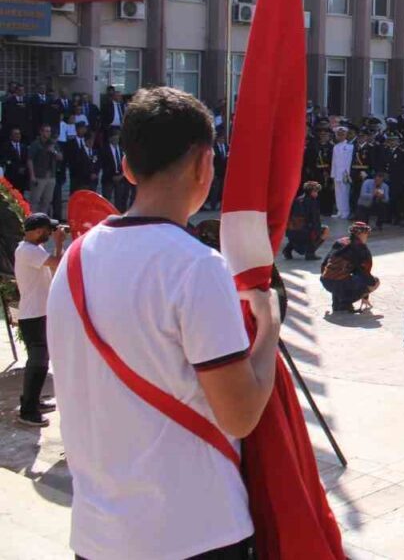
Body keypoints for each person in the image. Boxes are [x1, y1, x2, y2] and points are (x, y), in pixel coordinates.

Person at [46, 86, 282, 560]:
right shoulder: (195, 267)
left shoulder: (73, 259)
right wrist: (269, 327)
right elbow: (240, 413)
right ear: (204, 164)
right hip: (194, 532)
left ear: (128, 167)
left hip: (98, 535)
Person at [9, 213, 66, 426]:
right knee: (38, 363)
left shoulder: (33, 249)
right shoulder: (27, 251)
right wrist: (59, 244)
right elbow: (57, 264)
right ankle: (28, 411)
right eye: (46, 230)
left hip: (39, 313)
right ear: (35, 231)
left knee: (41, 362)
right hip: (33, 315)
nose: (49, 234)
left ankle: (31, 401)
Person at [319, 222, 380, 314]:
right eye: (366, 233)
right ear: (361, 234)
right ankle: (345, 303)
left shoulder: (340, 241)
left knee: (338, 276)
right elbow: (364, 274)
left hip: (325, 281)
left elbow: (325, 263)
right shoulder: (362, 249)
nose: (367, 236)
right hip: (340, 283)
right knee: (374, 281)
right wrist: (365, 295)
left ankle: (337, 303)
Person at [284, 181, 328, 260]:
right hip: (305, 232)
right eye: (315, 191)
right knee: (325, 230)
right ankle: (310, 253)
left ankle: (287, 250)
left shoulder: (297, 199)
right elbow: (315, 219)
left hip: (291, 230)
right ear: (310, 191)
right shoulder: (312, 202)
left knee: (297, 234)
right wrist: (317, 232)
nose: (317, 193)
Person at [25, 124, 61, 217]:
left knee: (47, 200)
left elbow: (60, 157)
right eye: (46, 131)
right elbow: (30, 159)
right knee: (35, 200)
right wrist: (32, 175)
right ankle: (32, 220)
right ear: (41, 132)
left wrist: (54, 151)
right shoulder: (35, 144)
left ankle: (43, 220)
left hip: (51, 175)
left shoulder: (53, 144)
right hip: (39, 176)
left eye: (49, 131)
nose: (48, 133)